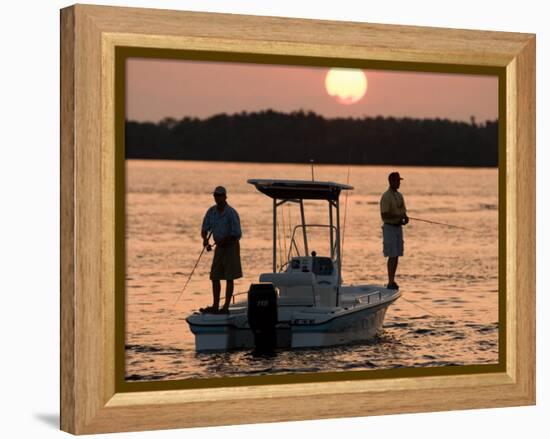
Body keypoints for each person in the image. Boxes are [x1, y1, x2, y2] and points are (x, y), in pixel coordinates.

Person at [200, 186, 243, 314]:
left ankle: (225, 307)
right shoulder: (211, 211)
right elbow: (204, 229)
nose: (217, 198)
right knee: (215, 276)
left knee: (230, 277)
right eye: (215, 195)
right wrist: (205, 240)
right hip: (219, 247)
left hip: (231, 247)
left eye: (219, 195)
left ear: (225, 197)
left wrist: (224, 240)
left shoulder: (231, 213)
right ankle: (215, 306)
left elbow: (237, 234)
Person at [379, 172, 408, 290]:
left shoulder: (400, 195)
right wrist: (397, 217)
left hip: (398, 228)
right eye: (397, 181)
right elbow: (384, 213)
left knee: (397, 255)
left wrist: (405, 217)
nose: (399, 183)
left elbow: (403, 210)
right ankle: (390, 281)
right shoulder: (386, 196)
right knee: (391, 255)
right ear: (391, 181)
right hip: (389, 228)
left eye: (399, 181)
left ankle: (393, 280)